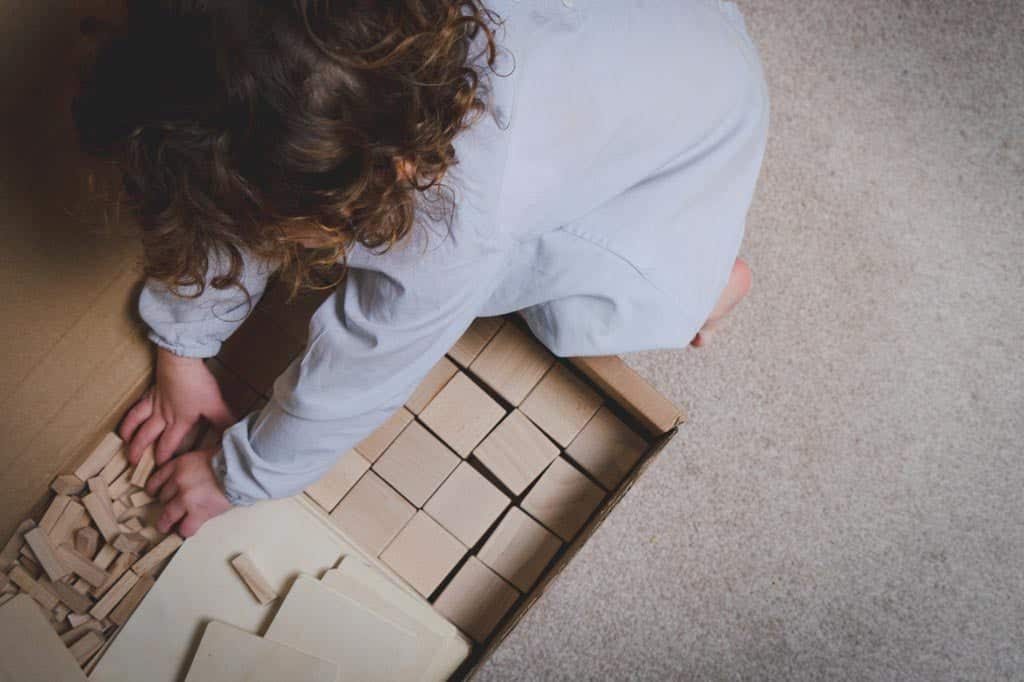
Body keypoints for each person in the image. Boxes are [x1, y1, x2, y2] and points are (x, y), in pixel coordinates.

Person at [72, 0, 768, 538]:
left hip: (686, 146)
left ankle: (707, 288)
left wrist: (240, 477)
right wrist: (182, 346)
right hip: (645, 34)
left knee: (575, 315)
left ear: (391, 171)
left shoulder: (459, 219)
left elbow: (362, 373)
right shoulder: (309, 59)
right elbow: (228, 159)